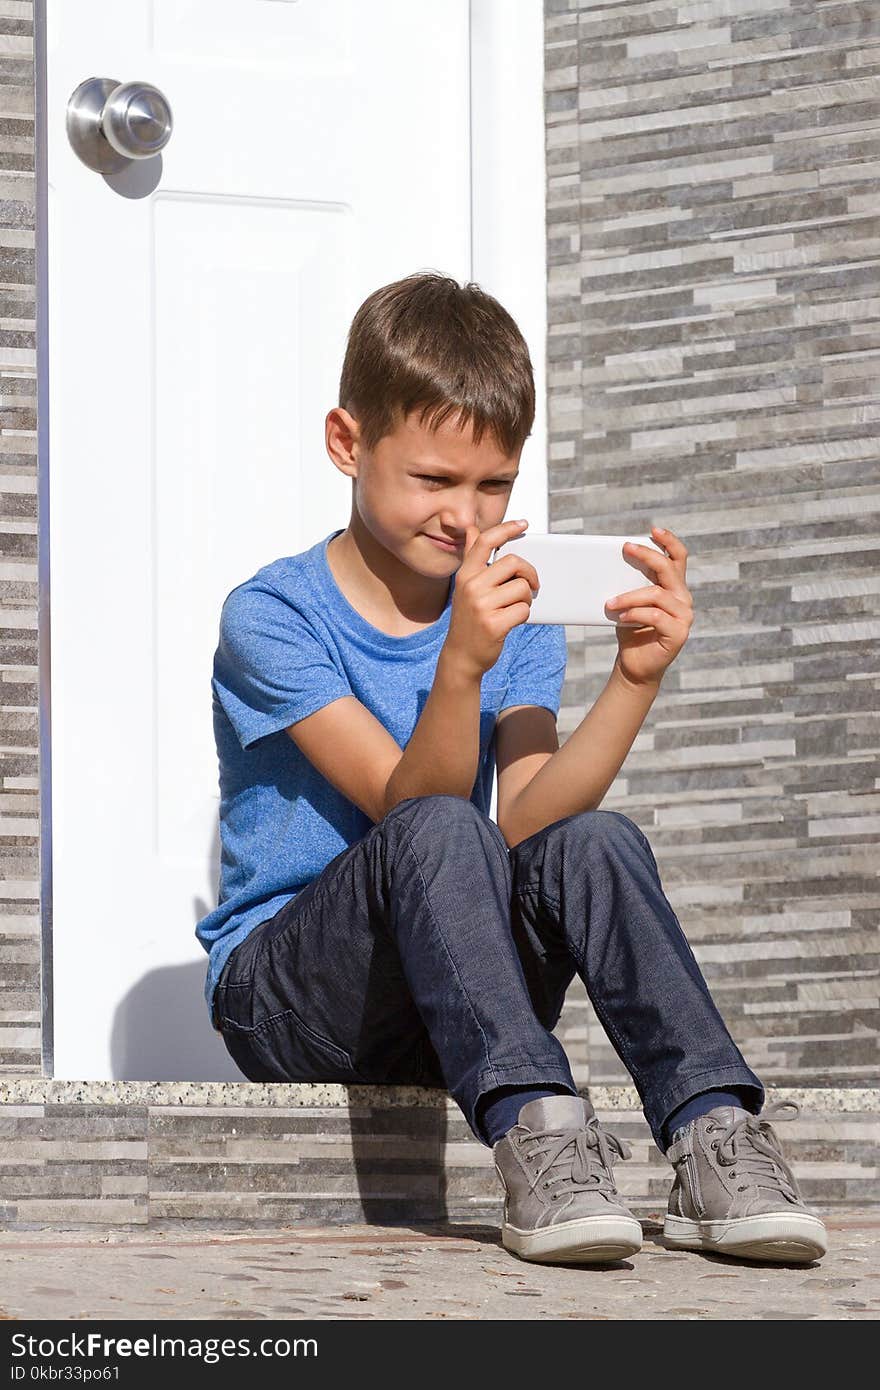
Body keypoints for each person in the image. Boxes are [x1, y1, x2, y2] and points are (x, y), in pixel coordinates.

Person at [196, 271, 827, 1267]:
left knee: (598, 839)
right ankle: (539, 1132)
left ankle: (714, 1135)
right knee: (443, 826)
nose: (464, 514)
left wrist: (634, 679)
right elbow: (413, 809)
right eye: (434, 481)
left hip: (456, 984)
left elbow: (530, 816)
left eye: (491, 485)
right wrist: (459, 664)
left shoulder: (508, 608)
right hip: (293, 999)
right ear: (347, 444)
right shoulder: (271, 616)